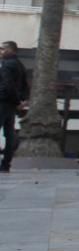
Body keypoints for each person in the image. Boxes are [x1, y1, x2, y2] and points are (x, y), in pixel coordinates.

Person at [0, 41, 29, 173]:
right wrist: (22, 101)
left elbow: (8, 85)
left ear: (11, 50)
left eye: (2, 49)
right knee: (9, 134)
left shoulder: (6, 65)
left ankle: (5, 164)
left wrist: (18, 101)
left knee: (9, 133)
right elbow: (25, 86)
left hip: (4, 102)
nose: (1, 52)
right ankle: (6, 164)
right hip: (11, 105)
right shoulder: (20, 65)